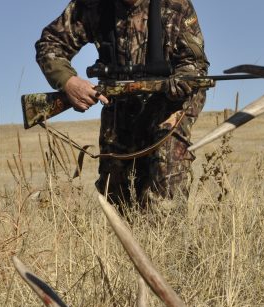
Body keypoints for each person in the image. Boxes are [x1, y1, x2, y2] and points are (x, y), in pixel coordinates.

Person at [35, 0, 209, 206]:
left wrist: (182, 80)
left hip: (169, 106)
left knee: (166, 185)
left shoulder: (175, 5)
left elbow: (195, 65)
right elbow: (50, 44)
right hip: (118, 106)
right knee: (117, 196)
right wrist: (68, 82)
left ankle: (163, 236)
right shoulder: (92, 5)